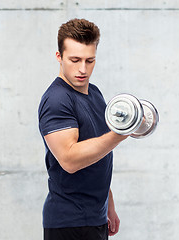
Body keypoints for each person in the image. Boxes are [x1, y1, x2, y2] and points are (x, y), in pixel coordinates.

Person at [38, 18, 129, 240]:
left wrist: (109, 204)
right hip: (69, 223)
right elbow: (70, 160)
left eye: (90, 60)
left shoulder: (95, 93)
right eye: (75, 59)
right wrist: (120, 134)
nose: (82, 69)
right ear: (59, 57)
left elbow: (98, 152)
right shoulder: (57, 99)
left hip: (94, 218)